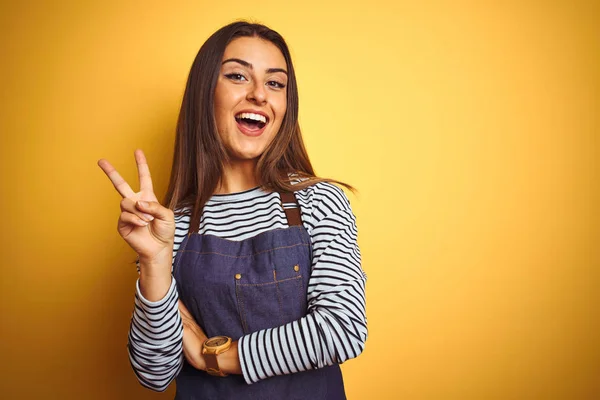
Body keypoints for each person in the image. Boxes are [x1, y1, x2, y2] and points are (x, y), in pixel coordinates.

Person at [98, 21, 367, 399]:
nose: (259, 94)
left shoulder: (319, 201)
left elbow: (342, 329)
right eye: (238, 76)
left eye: (275, 83)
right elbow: (154, 373)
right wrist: (155, 264)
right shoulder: (169, 226)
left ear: (286, 106)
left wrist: (217, 357)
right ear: (205, 94)